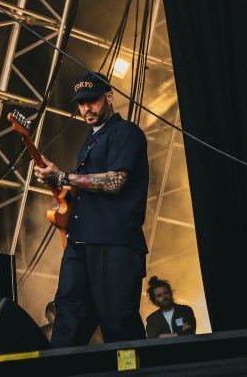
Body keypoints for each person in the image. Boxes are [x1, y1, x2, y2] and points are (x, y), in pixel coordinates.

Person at [33, 72, 150, 347]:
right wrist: (59, 182)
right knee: (67, 318)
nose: (86, 108)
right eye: (81, 103)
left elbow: (114, 182)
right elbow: (83, 187)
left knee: (119, 324)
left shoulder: (126, 132)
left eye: (92, 100)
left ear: (109, 97)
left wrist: (63, 176)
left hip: (115, 243)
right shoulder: (89, 140)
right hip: (80, 242)